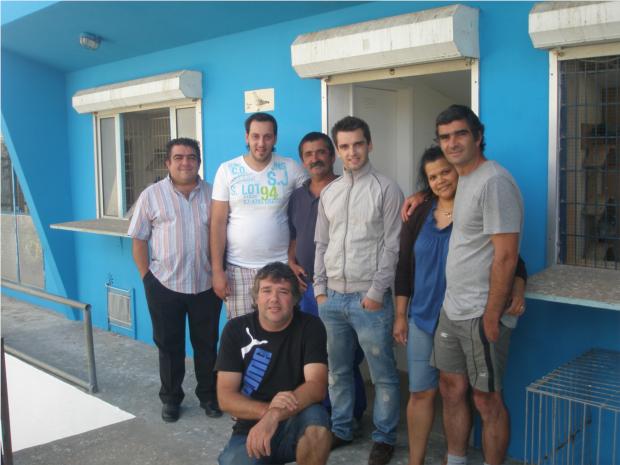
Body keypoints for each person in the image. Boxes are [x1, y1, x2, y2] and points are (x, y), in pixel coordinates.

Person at [393, 146, 527, 465]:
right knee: (433, 391)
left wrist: (519, 286)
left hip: (468, 316)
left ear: (459, 171)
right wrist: (400, 314)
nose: (440, 180)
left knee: (480, 396)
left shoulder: (475, 205)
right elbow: (404, 266)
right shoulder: (419, 212)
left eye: (445, 172)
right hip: (426, 316)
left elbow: (510, 257)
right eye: (432, 177)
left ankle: (467, 457)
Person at [424, 105, 523, 465]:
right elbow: (440, 194)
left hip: (481, 314)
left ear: (478, 136)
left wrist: (492, 316)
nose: (452, 143)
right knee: (450, 389)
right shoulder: (464, 178)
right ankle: (456, 460)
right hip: (452, 310)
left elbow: (507, 256)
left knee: (486, 399)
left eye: (460, 134)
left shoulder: (494, 182)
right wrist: (418, 197)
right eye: (445, 137)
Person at [314, 116, 403, 465]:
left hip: (370, 300)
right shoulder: (330, 192)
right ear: (338, 151)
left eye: (358, 144)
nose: (352, 152)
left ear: (369, 144)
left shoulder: (386, 188)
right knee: (337, 371)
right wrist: (320, 290)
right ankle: (341, 428)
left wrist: (377, 292)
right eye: (345, 146)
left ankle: (384, 437)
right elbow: (322, 243)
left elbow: (393, 245)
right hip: (333, 299)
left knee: (383, 375)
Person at [128, 137, 223, 422]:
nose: (185, 162)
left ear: (199, 162)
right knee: (169, 347)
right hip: (164, 286)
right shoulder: (151, 195)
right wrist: (147, 278)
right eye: (178, 157)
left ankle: (208, 395)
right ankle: (171, 398)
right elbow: (139, 239)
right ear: (168, 163)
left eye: (191, 157)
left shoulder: (214, 194)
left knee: (207, 345)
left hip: (206, 285)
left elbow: (222, 235)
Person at [216, 262, 332, 465]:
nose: (274, 299)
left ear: (294, 298)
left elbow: (317, 386)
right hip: (252, 426)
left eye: (283, 291)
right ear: (256, 297)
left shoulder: (310, 327)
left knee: (318, 429)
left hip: (297, 415)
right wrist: (268, 412)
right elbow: (225, 397)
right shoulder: (235, 330)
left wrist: (275, 415)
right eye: (266, 290)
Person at [287, 131, 367, 422]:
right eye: (308, 154)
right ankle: (323, 409)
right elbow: (294, 235)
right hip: (306, 288)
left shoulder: (348, 189)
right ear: (302, 160)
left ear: (333, 156)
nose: (315, 158)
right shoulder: (297, 197)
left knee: (344, 356)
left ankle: (351, 415)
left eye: (321, 152)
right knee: (315, 352)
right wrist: (291, 261)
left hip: (340, 288)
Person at [210, 113, 306, 318]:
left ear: (275, 138)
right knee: (243, 331)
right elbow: (217, 223)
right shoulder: (227, 170)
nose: (261, 143)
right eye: (255, 136)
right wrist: (217, 271)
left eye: (267, 137)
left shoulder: (291, 168)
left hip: (281, 267)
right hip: (238, 270)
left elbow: (305, 217)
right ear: (247, 137)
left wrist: (292, 257)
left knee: (281, 328)